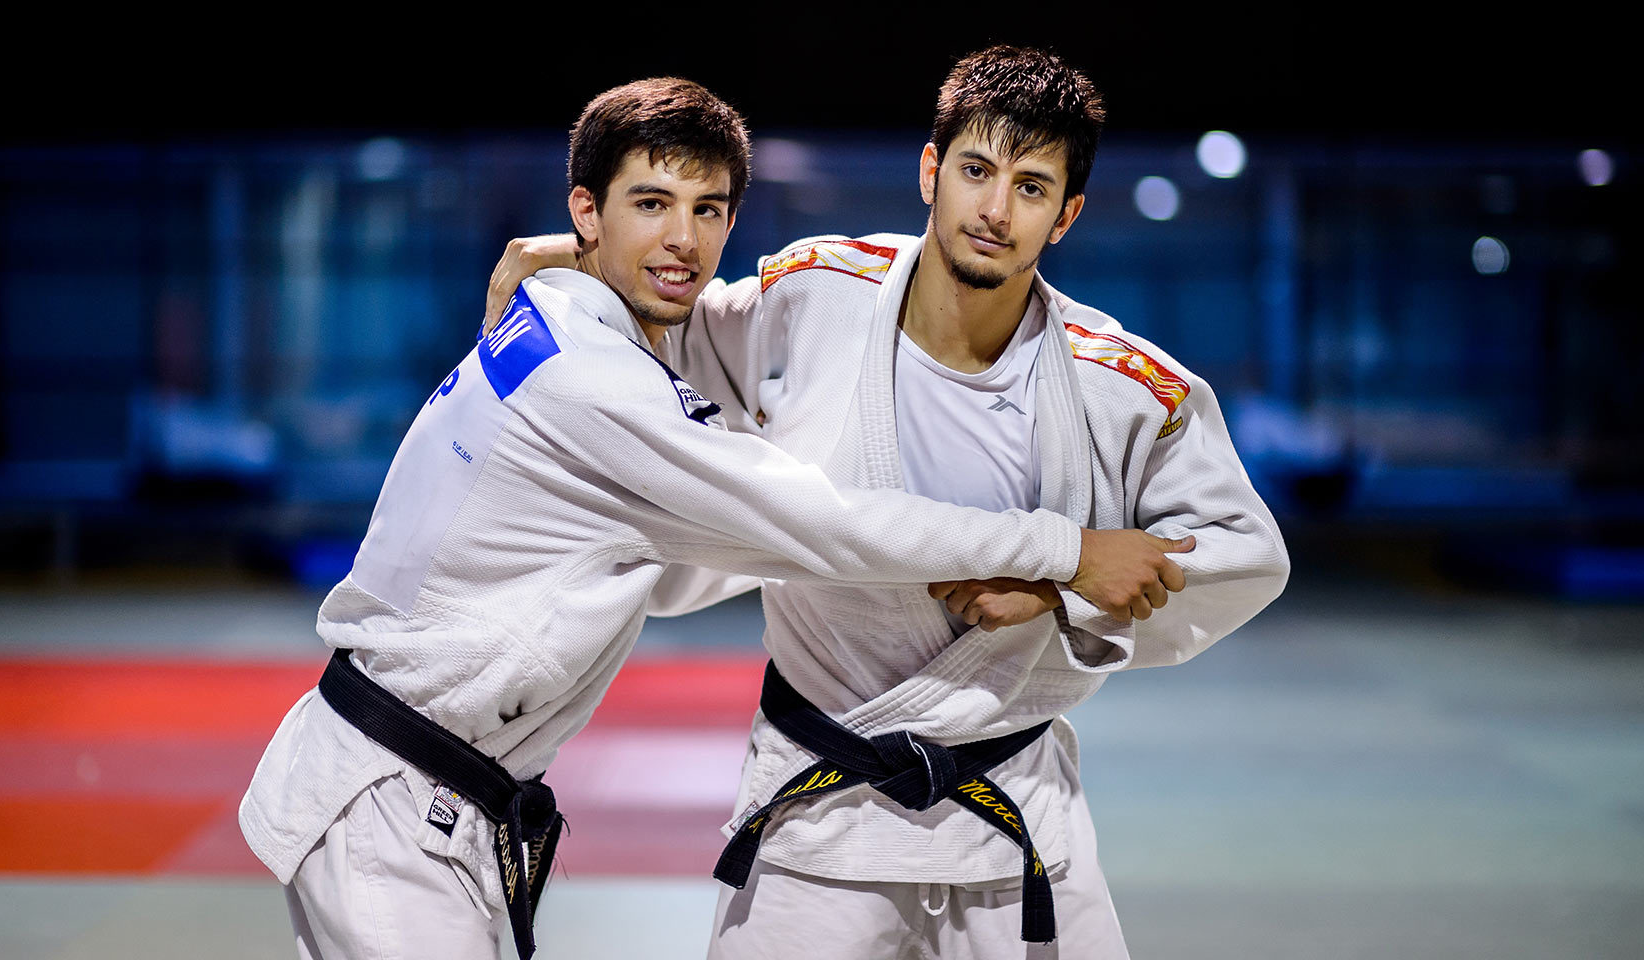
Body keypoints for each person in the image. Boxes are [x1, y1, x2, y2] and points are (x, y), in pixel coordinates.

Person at [244, 76, 1192, 960]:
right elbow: (819, 526)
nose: (683, 242)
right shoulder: (595, 382)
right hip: (395, 799)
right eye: (650, 204)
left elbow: (717, 556)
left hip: (422, 791)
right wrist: (1067, 552)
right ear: (588, 212)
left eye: (708, 212)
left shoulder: (557, 328)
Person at [483, 48, 1290, 959]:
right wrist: (586, 258)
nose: (994, 210)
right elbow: (673, 326)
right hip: (820, 814)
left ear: (1066, 216)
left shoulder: (1126, 385)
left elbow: (1247, 551)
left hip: (1015, 812)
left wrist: (1059, 593)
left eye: (1031, 188)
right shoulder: (820, 290)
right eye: (976, 171)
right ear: (929, 172)